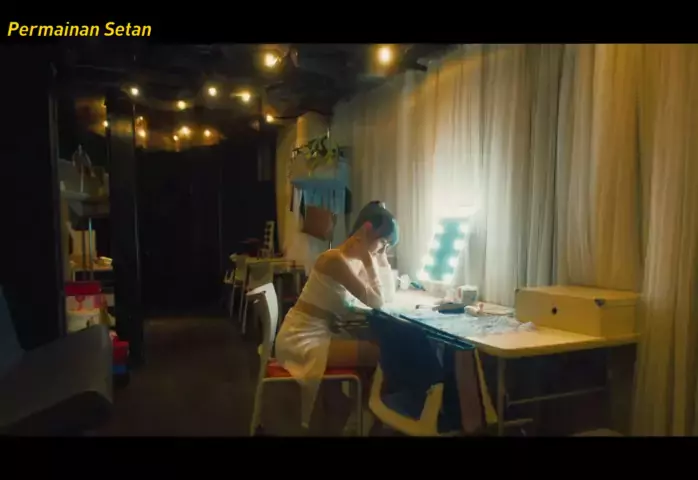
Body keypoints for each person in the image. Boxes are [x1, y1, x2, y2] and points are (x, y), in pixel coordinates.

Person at [274, 201, 399, 434]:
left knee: (376, 349)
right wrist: (369, 259)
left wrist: (379, 258)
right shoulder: (335, 260)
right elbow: (378, 302)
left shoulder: (351, 261)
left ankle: (361, 414)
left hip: (315, 331)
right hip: (301, 337)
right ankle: (365, 415)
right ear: (367, 230)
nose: (382, 250)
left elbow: (387, 295)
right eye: (382, 243)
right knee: (381, 353)